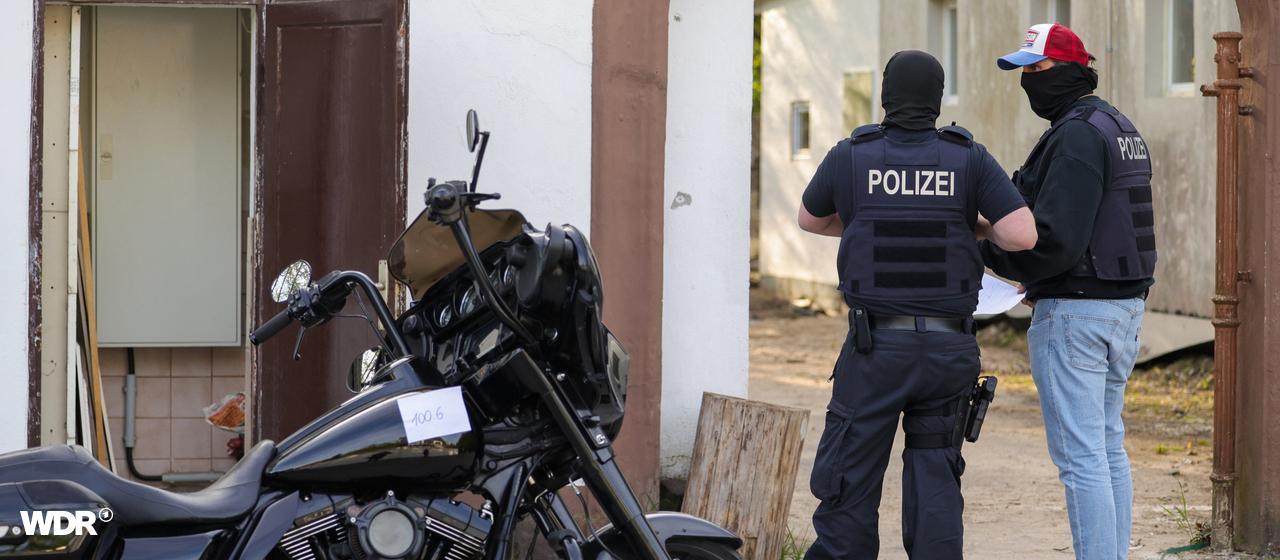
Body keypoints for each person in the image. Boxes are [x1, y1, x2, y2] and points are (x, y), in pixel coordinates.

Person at [797, 50, 1036, 559]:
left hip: (875, 348)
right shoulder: (968, 156)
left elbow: (810, 220)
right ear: (936, 98)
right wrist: (961, 222)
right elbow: (1022, 235)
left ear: (885, 96)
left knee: (850, 475)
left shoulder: (851, 155)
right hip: (948, 352)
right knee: (935, 478)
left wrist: (869, 217)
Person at [985, 23, 1156, 560]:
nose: (1029, 83)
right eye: (1023, 72)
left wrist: (991, 255)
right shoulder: (1115, 124)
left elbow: (1054, 239)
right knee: (1106, 450)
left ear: (1073, 70)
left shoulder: (1077, 134)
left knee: (1084, 458)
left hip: (1077, 315)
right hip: (1121, 309)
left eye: (1037, 70)